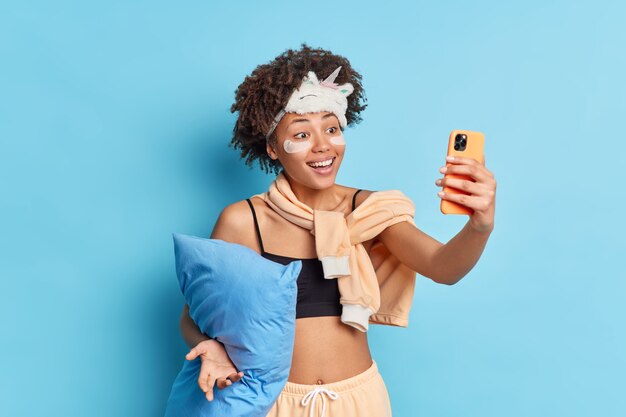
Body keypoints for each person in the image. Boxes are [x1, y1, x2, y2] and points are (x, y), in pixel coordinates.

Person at [179, 43, 496, 416]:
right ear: (272, 148)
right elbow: (193, 316)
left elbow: (445, 268)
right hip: (275, 402)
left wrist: (481, 225)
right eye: (301, 134)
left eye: (331, 128)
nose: (323, 146)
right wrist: (211, 348)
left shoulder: (372, 210)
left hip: (359, 399)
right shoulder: (244, 220)